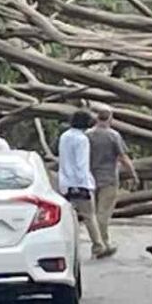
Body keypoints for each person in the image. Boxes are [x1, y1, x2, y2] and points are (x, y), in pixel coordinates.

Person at [87, 105, 138, 257]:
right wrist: (133, 174)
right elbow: (123, 157)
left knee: (93, 213)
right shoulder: (113, 136)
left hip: (89, 178)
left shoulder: (87, 135)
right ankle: (102, 244)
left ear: (97, 118)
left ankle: (97, 243)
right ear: (110, 118)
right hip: (108, 178)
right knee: (103, 213)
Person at [57, 109, 106, 259]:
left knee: (67, 217)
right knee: (89, 216)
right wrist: (86, 183)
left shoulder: (64, 136)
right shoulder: (82, 139)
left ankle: (65, 245)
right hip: (79, 183)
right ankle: (98, 245)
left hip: (65, 182)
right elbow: (81, 164)